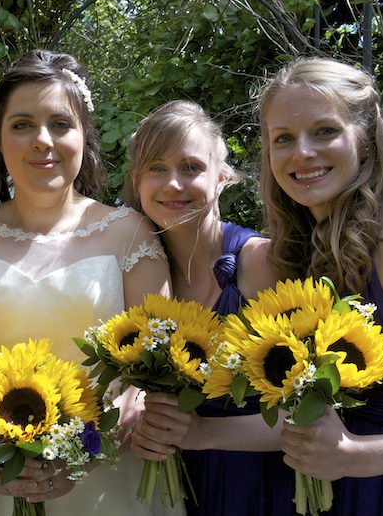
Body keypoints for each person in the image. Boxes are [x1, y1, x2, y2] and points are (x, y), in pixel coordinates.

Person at [0, 49, 181, 515]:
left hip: (110, 474)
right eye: (22, 124)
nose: (42, 140)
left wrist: (86, 450)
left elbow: (151, 372)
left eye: (60, 124)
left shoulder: (130, 233)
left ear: (83, 134)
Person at [258, 57, 383, 515]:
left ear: (366, 141)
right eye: (283, 138)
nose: (302, 152)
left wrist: (356, 459)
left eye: (325, 131)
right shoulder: (303, 253)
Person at [124, 100, 293, 515]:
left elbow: (309, 414)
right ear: (137, 180)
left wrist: (202, 434)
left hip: (254, 485)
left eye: (191, 167)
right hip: (166, 488)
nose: (173, 184)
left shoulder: (259, 264)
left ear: (221, 178)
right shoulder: (133, 269)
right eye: (156, 168)